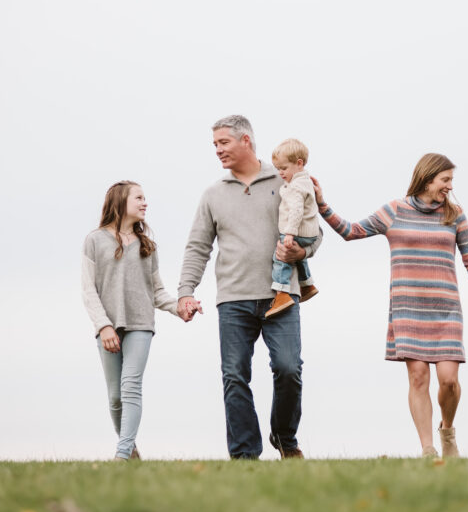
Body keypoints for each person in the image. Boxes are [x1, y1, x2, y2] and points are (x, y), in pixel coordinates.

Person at [313, 153, 468, 458]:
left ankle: (448, 431)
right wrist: (322, 204)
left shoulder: (455, 214)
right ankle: (428, 448)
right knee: (418, 377)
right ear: (428, 179)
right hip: (408, 308)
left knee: (449, 381)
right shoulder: (394, 211)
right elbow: (351, 231)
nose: (449, 187)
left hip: (445, 309)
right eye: (445, 180)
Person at [178, 115, 321, 460]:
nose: (218, 151)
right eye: (214, 145)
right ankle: (244, 456)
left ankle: (285, 438)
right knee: (234, 377)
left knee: (289, 369)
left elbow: (313, 231)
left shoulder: (287, 181)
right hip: (233, 298)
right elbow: (198, 246)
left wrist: (302, 250)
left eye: (223, 143)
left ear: (246, 141)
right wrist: (186, 290)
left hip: (281, 295)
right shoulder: (213, 194)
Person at [81, 180, 196, 461]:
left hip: (141, 325)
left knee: (131, 385)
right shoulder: (94, 240)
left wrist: (178, 308)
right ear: (120, 201)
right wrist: (104, 325)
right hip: (107, 326)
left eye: (145, 198)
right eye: (139, 198)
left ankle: (121, 454)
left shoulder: (148, 246)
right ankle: (131, 450)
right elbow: (88, 289)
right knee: (115, 397)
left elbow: (156, 291)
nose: (145, 203)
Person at [265, 138, 320, 318]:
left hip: (298, 231)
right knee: (298, 257)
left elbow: (296, 211)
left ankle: (282, 293)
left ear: (299, 163)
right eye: (277, 168)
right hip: (308, 233)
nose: (280, 173)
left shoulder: (296, 187)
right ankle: (307, 285)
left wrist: (289, 233)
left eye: (283, 168)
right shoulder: (304, 181)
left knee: (281, 257)